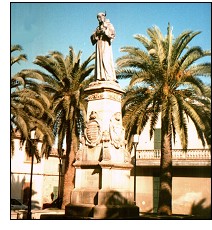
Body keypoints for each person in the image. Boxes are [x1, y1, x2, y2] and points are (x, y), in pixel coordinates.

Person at [90, 12, 116, 81]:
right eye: (98, 17)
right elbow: (92, 37)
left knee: (106, 59)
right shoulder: (97, 28)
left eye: (100, 17)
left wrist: (105, 30)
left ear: (104, 17)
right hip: (99, 44)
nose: (99, 19)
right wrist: (96, 34)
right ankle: (100, 76)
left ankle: (109, 77)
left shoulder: (109, 25)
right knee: (99, 60)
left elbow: (112, 34)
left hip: (105, 44)